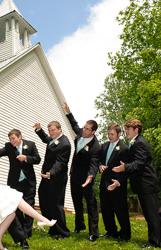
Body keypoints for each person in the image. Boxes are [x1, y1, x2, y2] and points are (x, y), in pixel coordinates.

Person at [113, 119, 161, 248]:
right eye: (126, 129)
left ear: (136, 130)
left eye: (128, 129)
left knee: (150, 214)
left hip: (146, 183)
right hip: (144, 184)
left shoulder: (140, 143)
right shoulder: (135, 142)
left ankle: (154, 242)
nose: (126, 131)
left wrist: (125, 167)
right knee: (156, 213)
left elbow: (139, 163)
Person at [62, 102, 101, 242]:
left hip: (86, 180)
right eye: (84, 127)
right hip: (74, 176)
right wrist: (68, 111)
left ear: (93, 132)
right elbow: (74, 123)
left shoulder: (96, 147)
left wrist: (90, 177)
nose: (83, 130)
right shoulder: (80, 133)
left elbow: (94, 164)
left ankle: (93, 233)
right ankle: (79, 226)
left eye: (87, 129)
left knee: (91, 205)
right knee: (76, 202)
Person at [33, 120, 71, 240]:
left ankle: (63, 232)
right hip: (46, 177)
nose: (51, 133)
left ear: (60, 129)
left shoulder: (65, 143)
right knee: (44, 201)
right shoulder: (52, 139)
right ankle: (53, 228)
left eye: (53, 130)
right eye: (49, 130)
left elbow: (60, 162)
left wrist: (51, 173)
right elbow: (45, 138)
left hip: (56, 178)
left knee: (56, 204)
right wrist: (39, 129)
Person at [98, 124, 130, 242]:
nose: (109, 136)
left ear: (119, 134)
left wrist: (119, 182)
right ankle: (111, 231)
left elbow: (126, 169)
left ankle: (125, 235)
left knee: (120, 210)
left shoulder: (124, 148)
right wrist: (100, 165)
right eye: (108, 134)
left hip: (117, 182)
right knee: (106, 208)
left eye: (112, 134)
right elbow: (100, 160)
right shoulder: (104, 146)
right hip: (104, 181)